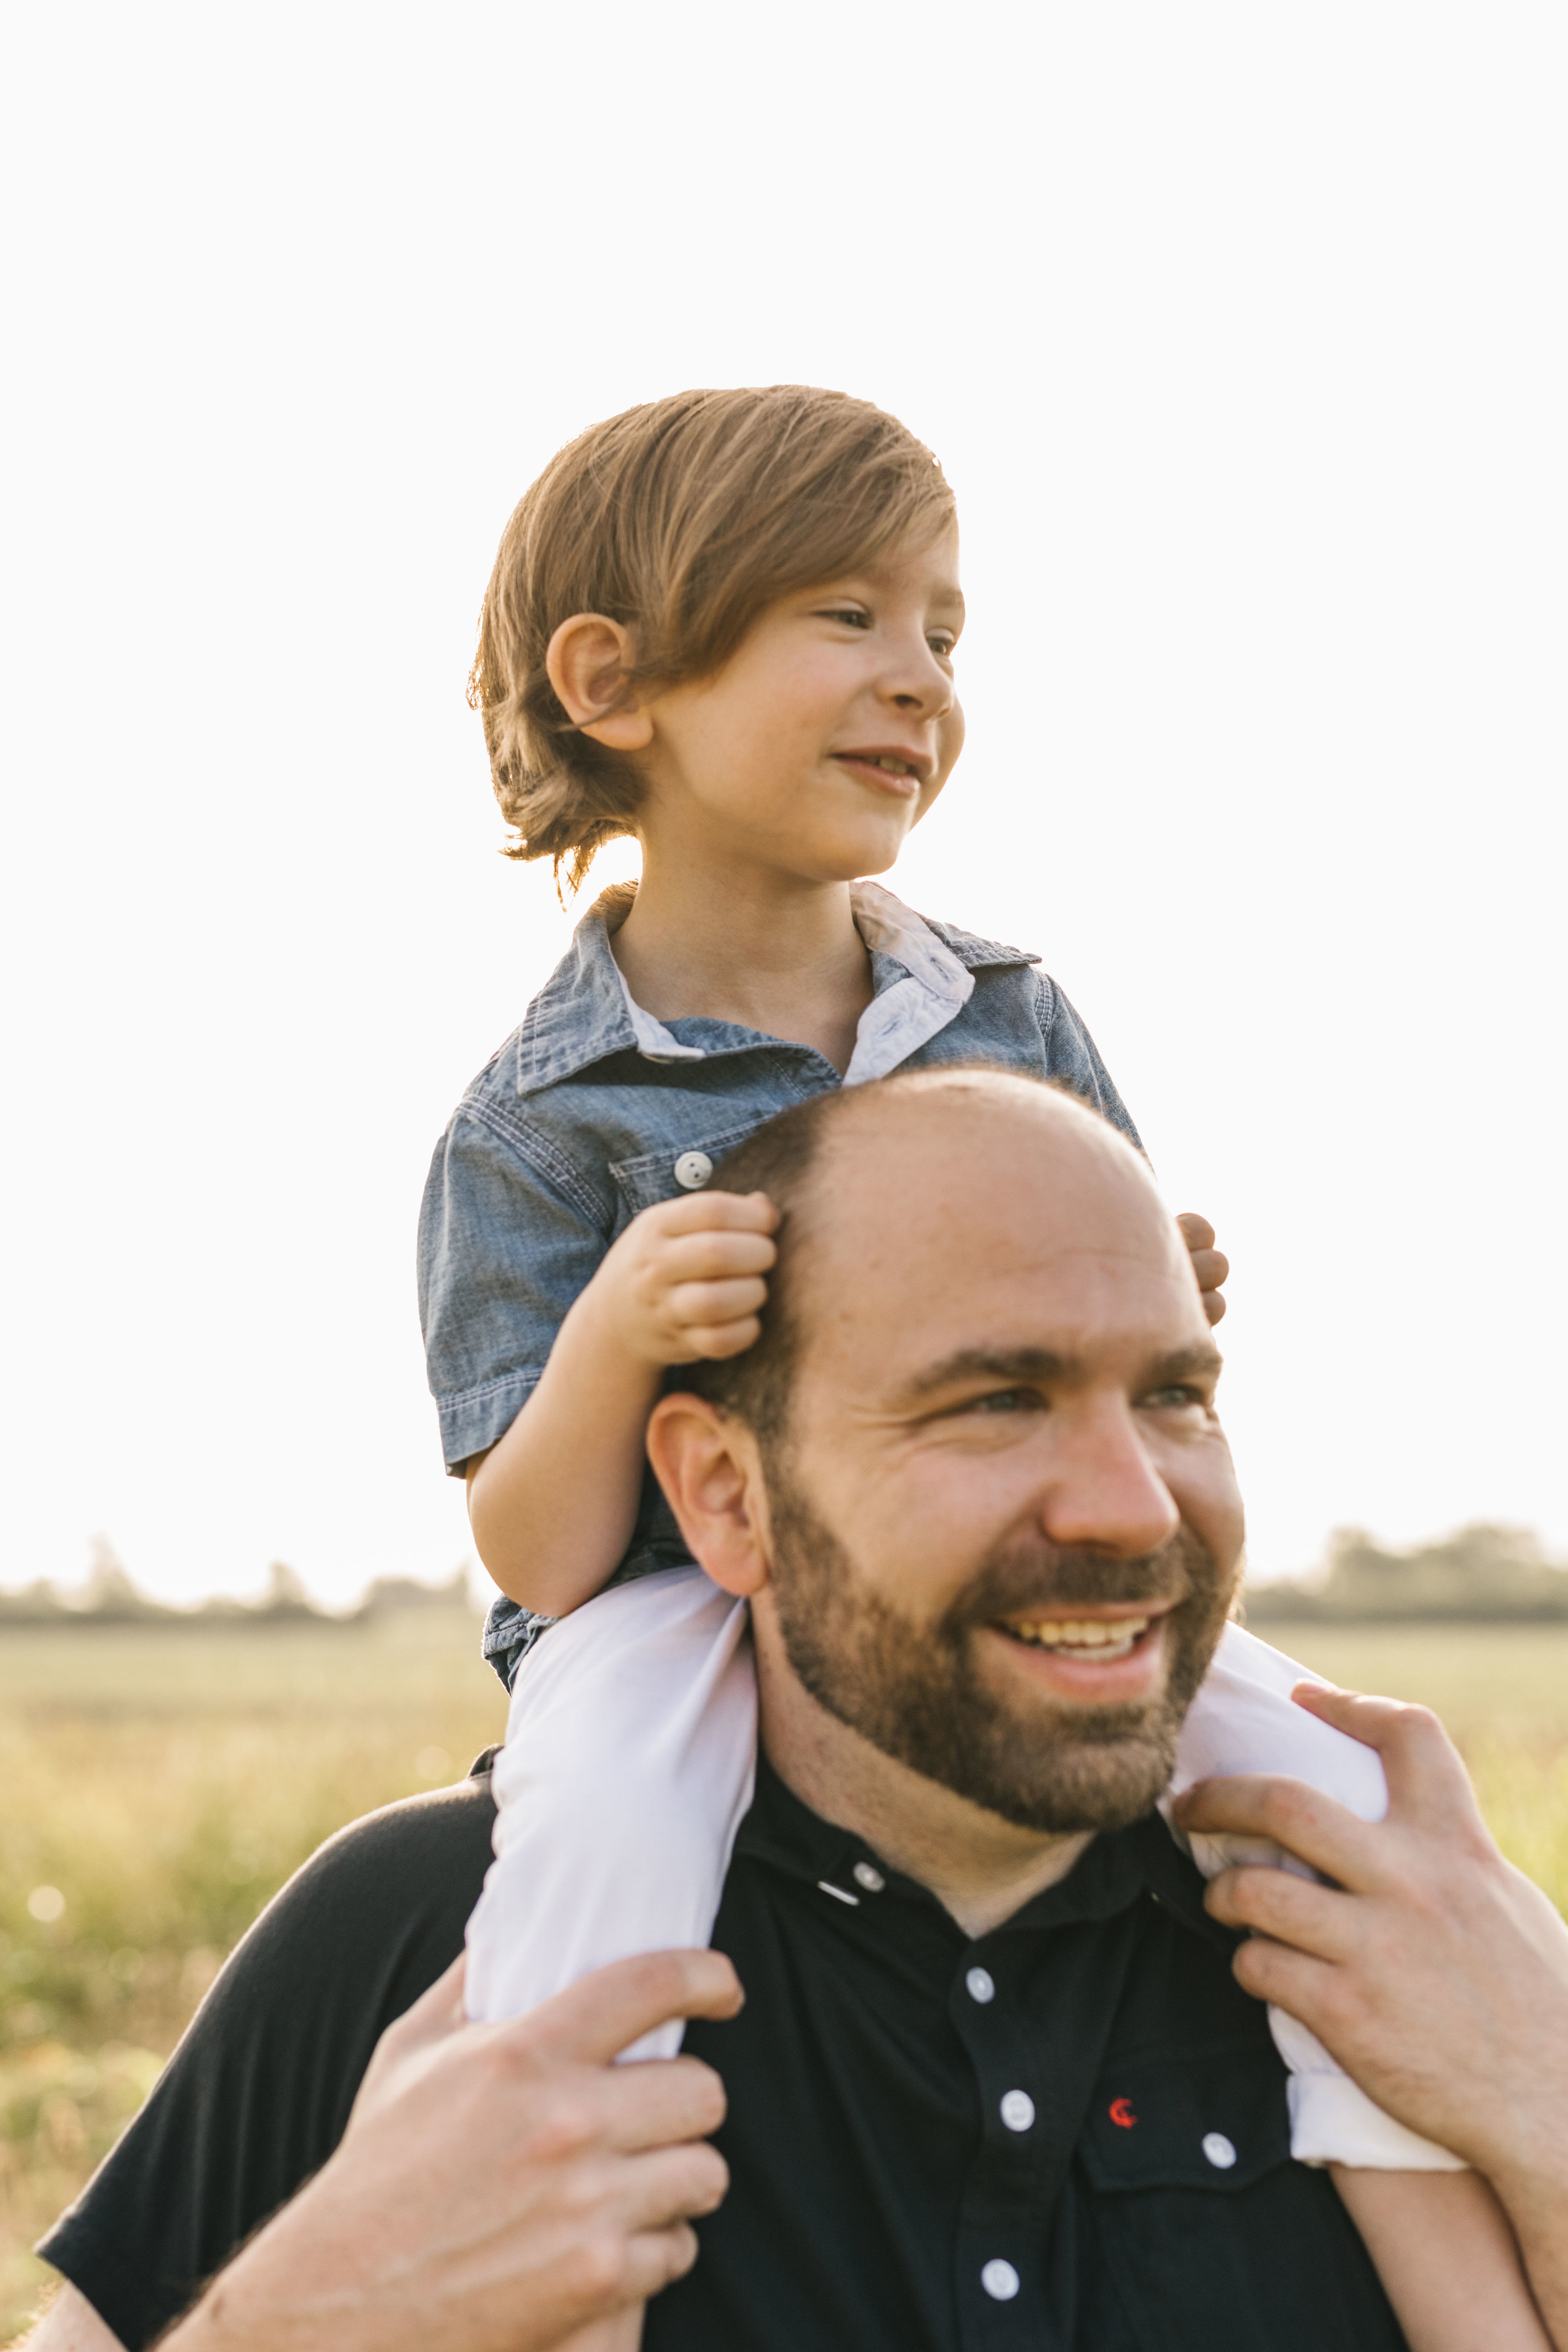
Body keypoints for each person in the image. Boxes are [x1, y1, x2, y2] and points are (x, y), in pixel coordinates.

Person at [420, 381, 1492, 2317]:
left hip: (992, 1585)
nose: (917, 674)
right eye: (844, 614)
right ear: (612, 680)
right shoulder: (532, 1124)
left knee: (1338, 1816)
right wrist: (611, 1344)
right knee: (584, 1855)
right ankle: (563, 2283)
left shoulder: (1007, 1006)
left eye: (944, 629)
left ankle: (1462, 2292)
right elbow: (538, 1552)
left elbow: (1121, 1364)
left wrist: (1159, 1287)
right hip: (680, 1626)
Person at [31, 1076, 1568, 2349]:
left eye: (1173, 1396)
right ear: (723, 1494)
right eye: (992, 1400)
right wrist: (301, 2325)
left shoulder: (1404, 1959)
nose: (1127, 1503)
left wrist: (1549, 2112)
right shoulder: (439, 1942)